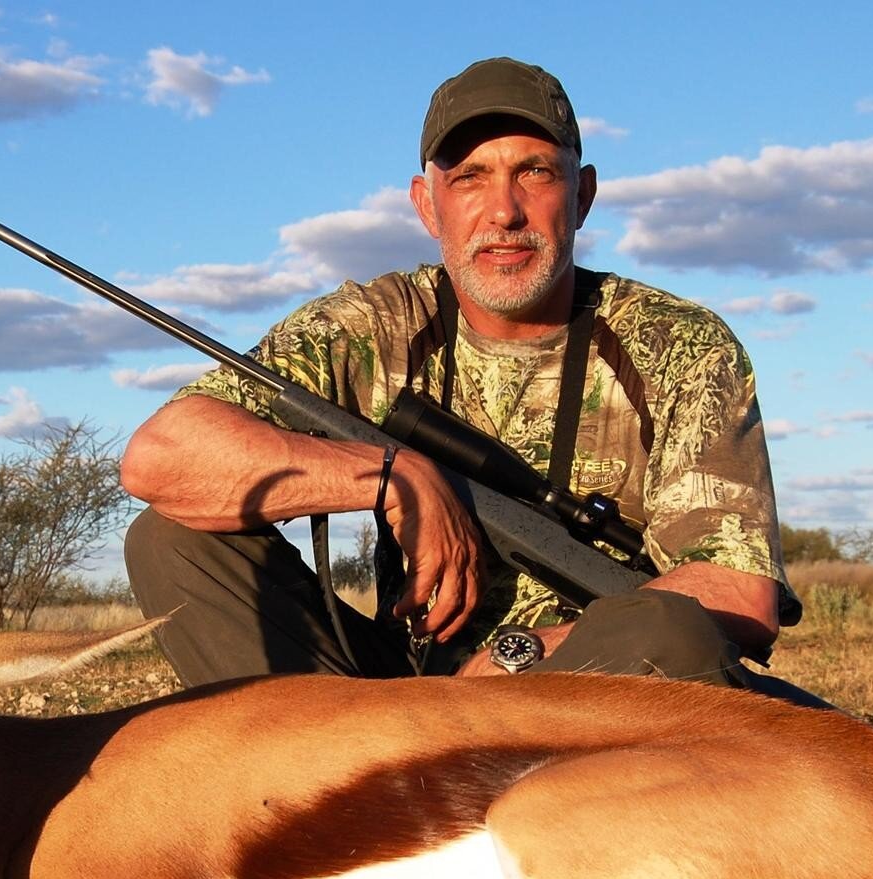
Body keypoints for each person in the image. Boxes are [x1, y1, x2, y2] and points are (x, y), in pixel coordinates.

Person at [120, 57, 804, 694]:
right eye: (470, 177)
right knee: (170, 537)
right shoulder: (372, 325)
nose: (503, 211)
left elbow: (739, 593)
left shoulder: (679, 344)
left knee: (670, 631)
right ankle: (345, 791)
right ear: (427, 203)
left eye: (535, 172)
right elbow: (162, 455)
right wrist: (392, 475)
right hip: (413, 701)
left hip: (593, 707)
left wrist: (524, 660)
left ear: (583, 194)